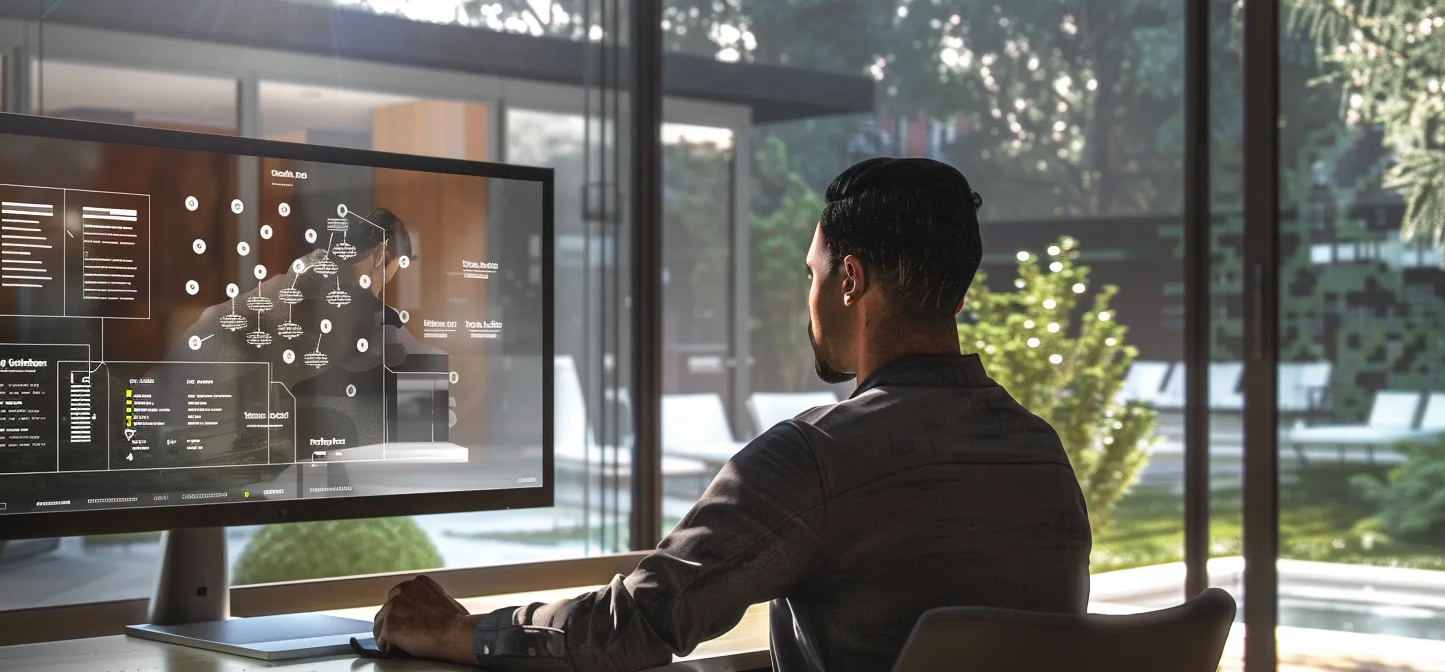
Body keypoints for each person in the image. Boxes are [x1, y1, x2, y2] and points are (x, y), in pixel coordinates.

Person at [371, 158, 1093, 671]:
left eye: (811, 274)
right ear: (957, 296)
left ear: (849, 280)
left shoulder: (815, 459)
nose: (806, 295)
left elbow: (635, 626)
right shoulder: (1041, 453)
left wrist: (464, 630)